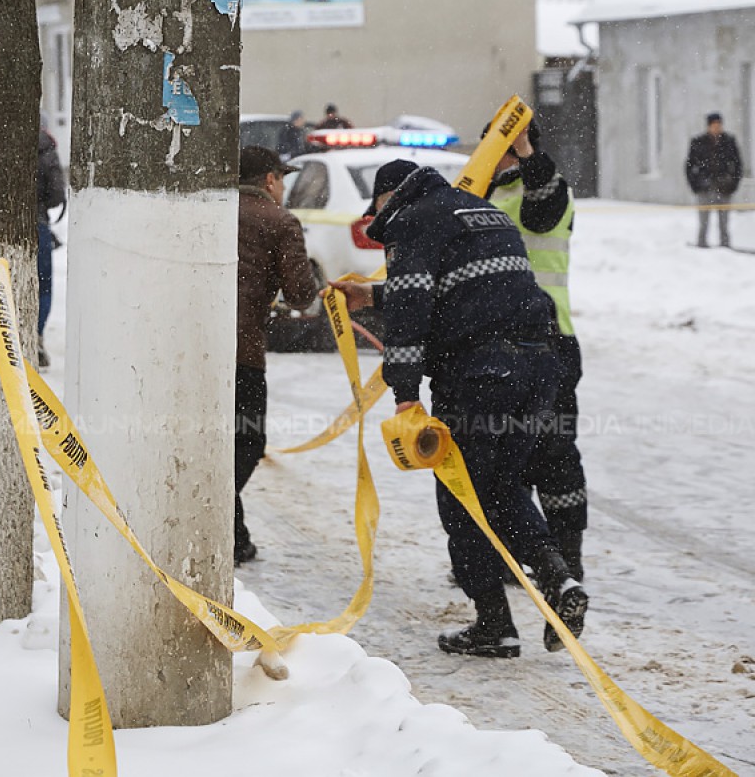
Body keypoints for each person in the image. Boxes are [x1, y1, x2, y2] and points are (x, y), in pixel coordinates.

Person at [332, 159, 587, 659]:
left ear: (388, 197)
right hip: (538, 365)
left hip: (480, 374)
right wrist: (373, 294)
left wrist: (405, 395)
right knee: (502, 486)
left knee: (461, 492)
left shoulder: (412, 219)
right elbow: (467, 289)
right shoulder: (481, 209)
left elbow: (411, 314)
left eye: (377, 210)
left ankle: (494, 623)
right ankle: (559, 577)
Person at [484, 120, 588, 581]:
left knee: (555, 454)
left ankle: (568, 554)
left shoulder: (546, 187)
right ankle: (522, 550)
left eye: (497, 148)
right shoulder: (490, 195)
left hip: (551, 342)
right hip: (502, 346)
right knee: (507, 455)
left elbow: (542, 205)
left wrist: (524, 148)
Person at [233, 146, 319, 564]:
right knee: (247, 443)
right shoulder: (279, 221)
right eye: (281, 179)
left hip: (197, 348)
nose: (283, 187)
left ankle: (232, 532)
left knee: (209, 438)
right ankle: (226, 531)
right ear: (269, 179)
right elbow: (301, 295)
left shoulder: (211, 210)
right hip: (243, 354)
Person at [685, 112, 743, 248]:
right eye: (714, 125)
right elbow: (689, 165)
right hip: (704, 186)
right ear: (709, 126)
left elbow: (737, 164)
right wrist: (695, 184)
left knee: (724, 220)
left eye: (719, 125)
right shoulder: (698, 142)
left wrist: (733, 183)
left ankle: (725, 245)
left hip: (724, 186)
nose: (717, 128)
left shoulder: (729, 141)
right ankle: (702, 244)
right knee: (703, 219)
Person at [37, 126, 67, 368]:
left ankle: (10, 340)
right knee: (43, 286)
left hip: (3, 225)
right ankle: (36, 334)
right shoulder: (45, 145)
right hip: (38, 225)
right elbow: (57, 194)